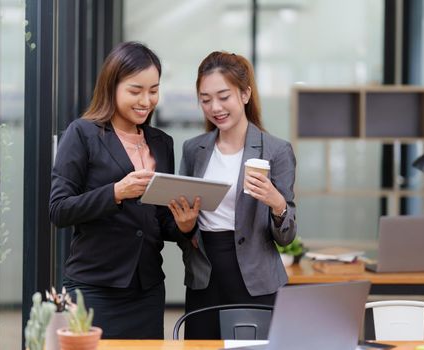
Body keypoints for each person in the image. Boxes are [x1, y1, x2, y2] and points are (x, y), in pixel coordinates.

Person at [49, 41, 195, 339]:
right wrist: (116, 191)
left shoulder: (161, 142)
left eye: (153, 90)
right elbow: (59, 209)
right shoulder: (83, 133)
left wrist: (184, 226)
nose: (146, 100)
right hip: (94, 287)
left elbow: (160, 220)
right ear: (111, 86)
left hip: (147, 289)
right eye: (135, 90)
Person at [169, 51, 297, 339]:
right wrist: (186, 227)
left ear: (245, 94)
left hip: (256, 281)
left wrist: (276, 202)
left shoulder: (276, 151)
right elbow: (183, 230)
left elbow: (286, 237)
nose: (215, 107)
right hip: (205, 278)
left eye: (223, 96)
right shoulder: (193, 149)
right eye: (205, 99)